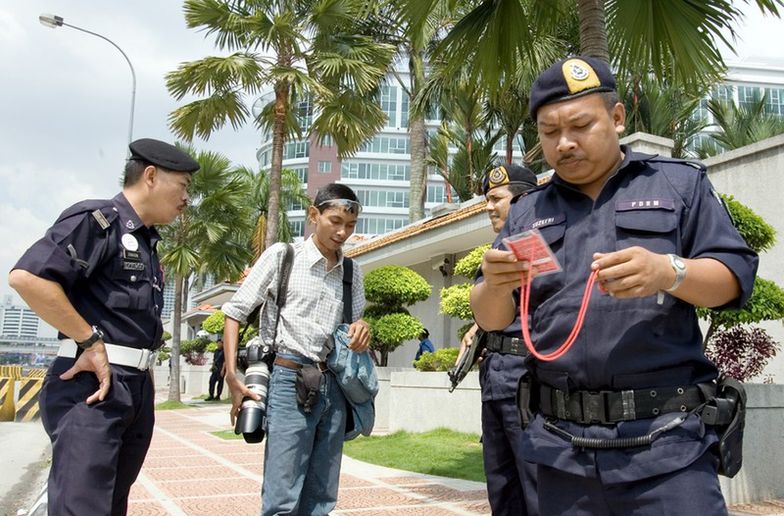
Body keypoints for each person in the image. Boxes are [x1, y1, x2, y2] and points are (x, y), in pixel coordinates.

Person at [471, 55, 758, 515]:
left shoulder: (677, 185)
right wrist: (493, 287)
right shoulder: (527, 212)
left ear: (618, 117)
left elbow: (732, 280)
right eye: (549, 132)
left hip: (666, 447)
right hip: (563, 454)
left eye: (581, 125)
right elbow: (492, 317)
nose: (564, 143)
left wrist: (670, 271)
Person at [8, 138, 199, 515]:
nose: (186, 198)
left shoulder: (146, 243)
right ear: (150, 176)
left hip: (133, 386)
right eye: (183, 186)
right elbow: (27, 278)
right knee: (81, 507)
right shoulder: (99, 221)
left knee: (111, 506)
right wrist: (89, 340)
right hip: (91, 383)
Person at [221, 183, 372, 516]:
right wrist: (232, 375)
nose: (342, 232)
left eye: (350, 225)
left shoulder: (351, 271)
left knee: (322, 496)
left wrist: (363, 330)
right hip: (289, 380)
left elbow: (355, 326)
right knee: (282, 496)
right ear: (314, 215)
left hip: (334, 386)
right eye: (335, 221)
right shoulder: (284, 256)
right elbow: (234, 312)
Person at [458, 163, 539, 516]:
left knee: (536, 489)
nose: (488, 207)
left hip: (526, 383)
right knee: (503, 489)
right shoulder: (500, 243)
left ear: (522, 199)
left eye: (496, 199)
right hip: (497, 379)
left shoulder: (534, 243)